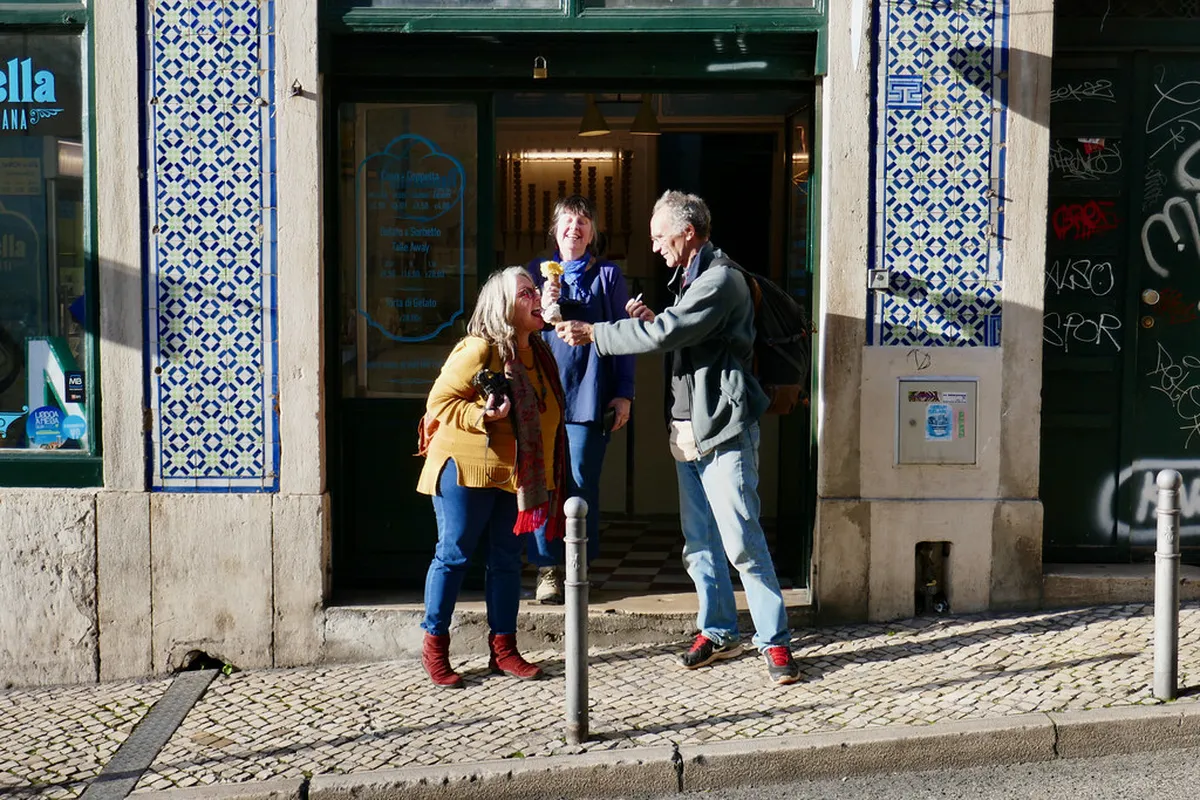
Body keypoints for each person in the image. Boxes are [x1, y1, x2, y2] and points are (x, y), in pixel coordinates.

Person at [555, 190, 800, 685]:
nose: (655, 246)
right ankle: (718, 630)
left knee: (742, 540)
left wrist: (597, 333)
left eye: (659, 235)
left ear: (688, 231)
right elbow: (681, 333)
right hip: (688, 429)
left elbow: (671, 333)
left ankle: (775, 642)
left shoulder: (720, 279)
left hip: (724, 430)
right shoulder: (691, 277)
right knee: (700, 542)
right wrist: (653, 322)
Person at [416, 266, 566, 688]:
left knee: (505, 562)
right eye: (525, 293)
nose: (536, 297)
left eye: (535, 290)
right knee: (454, 555)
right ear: (504, 305)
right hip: (465, 470)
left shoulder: (538, 352)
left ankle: (504, 650)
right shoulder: (479, 349)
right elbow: (438, 401)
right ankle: (435, 647)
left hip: (513, 474)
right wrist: (480, 414)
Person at [526, 194, 635, 604]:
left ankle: (577, 563)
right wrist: (543, 300)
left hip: (588, 395)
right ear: (554, 230)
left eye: (583, 221)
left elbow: (624, 338)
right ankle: (546, 569)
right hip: (539, 398)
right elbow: (518, 330)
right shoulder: (534, 274)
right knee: (541, 483)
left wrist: (623, 394)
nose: (575, 227)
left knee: (580, 483)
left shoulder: (607, 275)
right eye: (568, 220)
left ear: (593, 232)